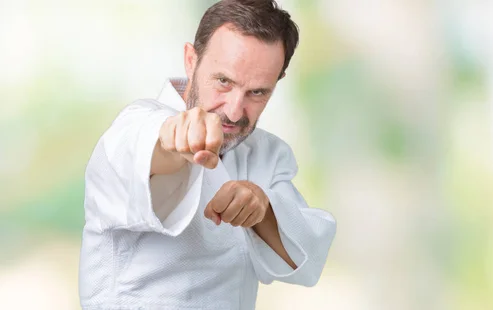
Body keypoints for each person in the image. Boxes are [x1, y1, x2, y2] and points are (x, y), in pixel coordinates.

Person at [78, 1, 337, 309]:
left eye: (257, 92)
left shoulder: (267, 154)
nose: (233, 111)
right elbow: (147, 150)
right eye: (224, 81)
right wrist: (178, 141)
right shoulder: (135, 126)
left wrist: (262, 209)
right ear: (191, 60)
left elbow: (307, 260)